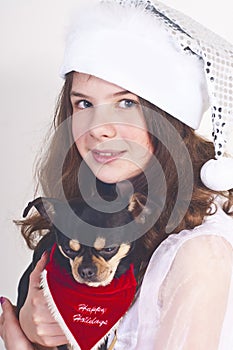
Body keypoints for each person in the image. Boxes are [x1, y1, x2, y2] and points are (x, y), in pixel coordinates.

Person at [1, 0, 233, 349]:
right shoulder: (88, 214)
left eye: (126, 102)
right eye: (84, 103)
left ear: (168, 116)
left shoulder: (201, 252)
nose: (98, 129)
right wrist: (36, 330)